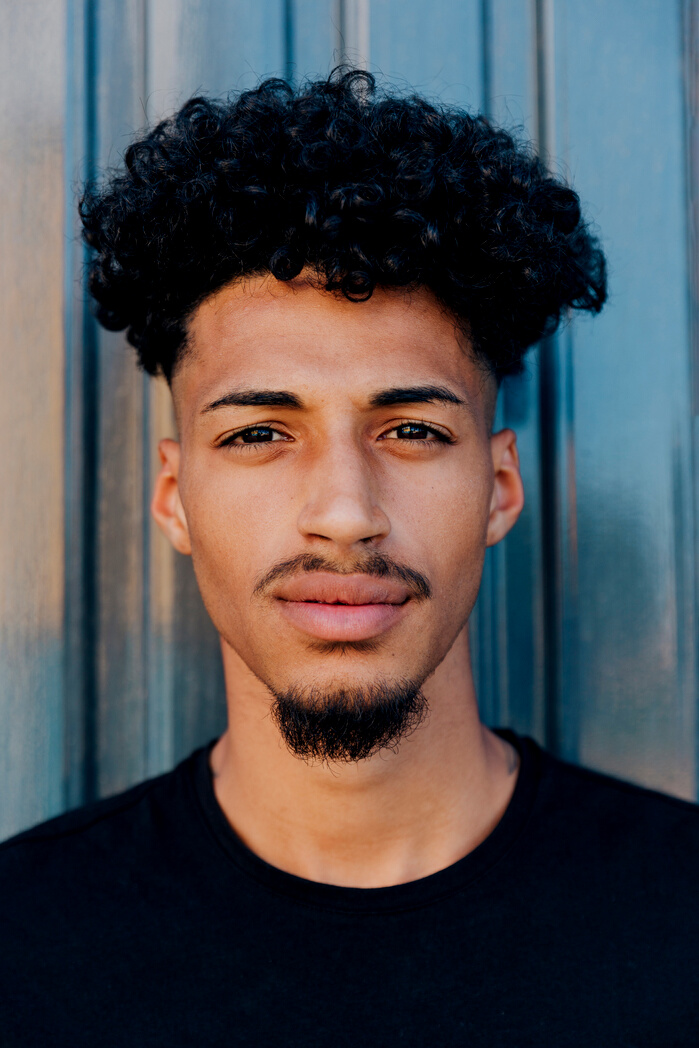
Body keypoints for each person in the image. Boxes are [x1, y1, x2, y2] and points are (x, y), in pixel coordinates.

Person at [1, 68, 697, 1046]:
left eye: (411, 430)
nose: (343, 514)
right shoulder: (22, 950)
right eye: (259, 434)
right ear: (173, 497)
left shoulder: (682, 927)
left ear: (499, 486)